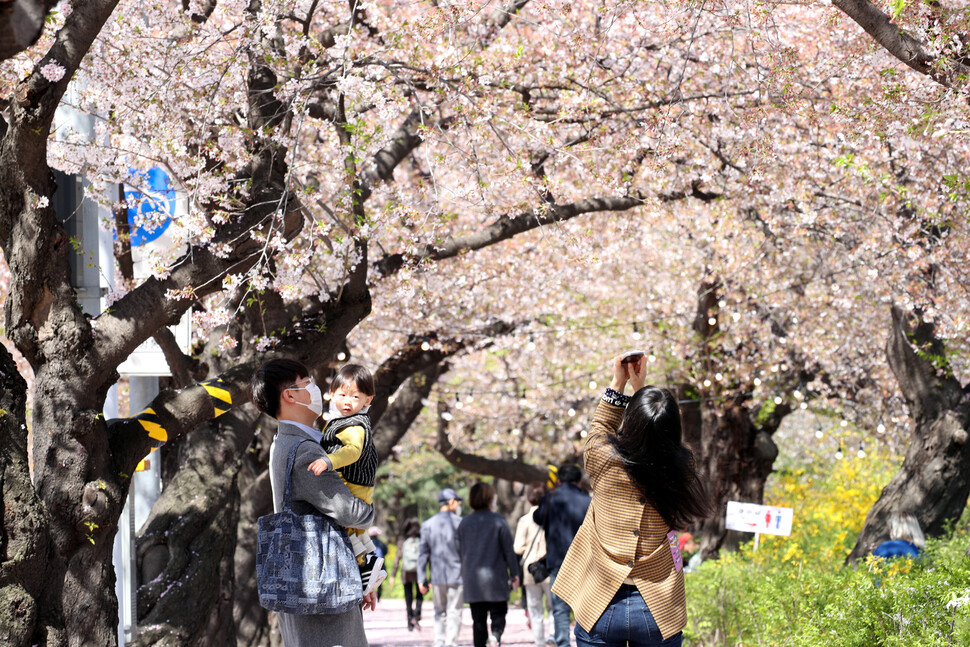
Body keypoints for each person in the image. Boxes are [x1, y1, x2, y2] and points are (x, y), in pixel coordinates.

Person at [552, 356, 712, 647]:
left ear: (632, 421)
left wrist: (620, 383)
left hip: (600, 601)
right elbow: (664, 439)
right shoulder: (682, 468)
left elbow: (600, 427)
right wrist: (644, 392)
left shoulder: (603, 461)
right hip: (657, 607)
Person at [250, 358, 377, 646]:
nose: (317, 388)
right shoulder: (305, 452)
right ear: (290, 395)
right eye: (307, 383)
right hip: (322, 591)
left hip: (307, 583)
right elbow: (348, 511)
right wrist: (368, 509)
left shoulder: (283, 444)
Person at [306, 363, 384, 593]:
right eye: (342, 395)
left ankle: (364, 563)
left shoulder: (355, 426)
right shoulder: (342, 422)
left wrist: (329, 461)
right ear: (331, 394)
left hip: (354, 482)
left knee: (342, 522)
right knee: (356, 529)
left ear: (367, 400)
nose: (347, 402)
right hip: (359, 482)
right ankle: (372, 560)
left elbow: (352, 451)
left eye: (355, 397)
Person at [534, 463, 591, 647]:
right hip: (585, 562)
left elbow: (538, 518)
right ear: (580, 482)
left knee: (560, 608)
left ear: (558, 481)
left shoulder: (550, 499)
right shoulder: (588, 502)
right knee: (586, 607)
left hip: (558, 561)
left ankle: (563, 644)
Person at [457, 481, 520, 647]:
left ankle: (486, 640)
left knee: (478, 622)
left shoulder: (464, 523)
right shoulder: (498, 520)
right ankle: (495, 635)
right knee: (498, 614)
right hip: (496, 578)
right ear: (489, 499)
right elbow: (508, 550)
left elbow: (459, 551)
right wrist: (515, 574)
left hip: (473, 579)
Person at [419, 488, 464, 647]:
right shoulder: (460, 523)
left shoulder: (427, 524)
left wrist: (421, 578)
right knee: (455, 611)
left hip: (437, 576)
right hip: (458, 575)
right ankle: (451, 643)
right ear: (451, 501)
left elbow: (423, 553)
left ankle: (439, 642)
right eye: (458, 502)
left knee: (439, 611)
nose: (459, 505)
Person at [515, 481, 555, 647]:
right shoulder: (553, 518)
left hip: (531, 569)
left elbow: (517, 547)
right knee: (553, 607)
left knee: (535, 607)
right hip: (550, 566)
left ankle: (539, 641)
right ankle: (552, 636)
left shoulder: (524, 520)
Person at [390, 517, 425, 631]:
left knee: (408, 596)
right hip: (419, 572)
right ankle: (417, 614)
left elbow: (397, 559)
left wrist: (393, 575)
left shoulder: (402, 540)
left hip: (406, 573)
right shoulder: (421, 540)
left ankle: (410, 621)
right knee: (420, 595)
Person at [370, 526, 389, 599]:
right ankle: (379, 595)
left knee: (370, 579)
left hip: (370, 564)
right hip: (380, 564)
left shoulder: (368, 542)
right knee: (379, 579)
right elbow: (385, 551)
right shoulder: (381, 543)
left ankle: (370, 593)